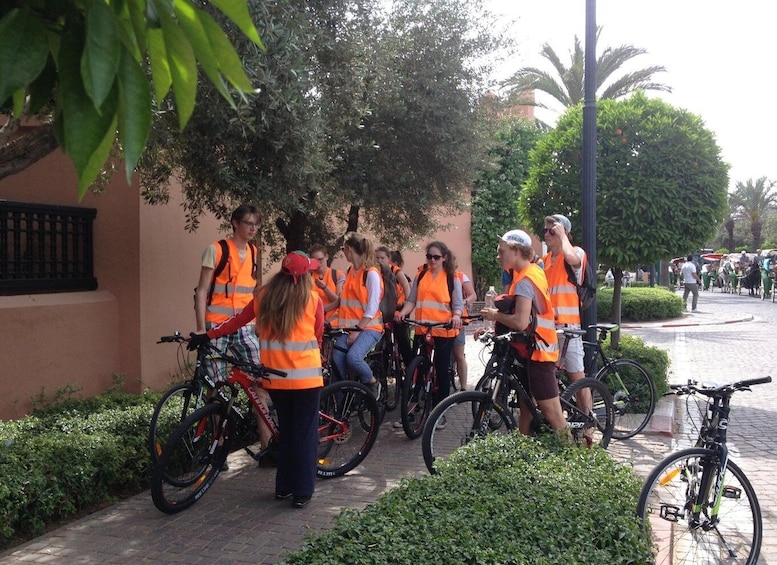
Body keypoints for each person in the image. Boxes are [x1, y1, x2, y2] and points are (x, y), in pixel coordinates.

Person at [190, 251, 324, 509]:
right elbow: (318, 336)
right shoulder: (313, 299)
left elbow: (237, 322)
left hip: (276, 380)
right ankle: (303, 492)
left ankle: (283, 488)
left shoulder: (264, 297)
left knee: (285, 431)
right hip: (306, 379)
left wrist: (207, 335)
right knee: (305, 435)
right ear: (304, 275)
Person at [192, 204, 270, 466]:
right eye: (248, 223)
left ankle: (267, 446)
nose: (252, 229)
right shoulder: (216, 250)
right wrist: (201, 328)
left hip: (245, 327)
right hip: (217, 327)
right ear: (235, 223)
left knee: (261, 382)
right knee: (215, 388)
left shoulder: (254, 251)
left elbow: (255, 291)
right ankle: (219, 450)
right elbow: (201, 290)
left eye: (256, 225)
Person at [480, 230, 567, 435]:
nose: (498, 256)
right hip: (532, 349)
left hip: (540, 352)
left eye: (502, 251)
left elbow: (519, 322)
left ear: (517, 251)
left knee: (552, 413)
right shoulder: (530, 272)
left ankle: (577, 459)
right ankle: (523, 443)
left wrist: (495, 315)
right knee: (525, 403)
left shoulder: (525, 280)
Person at [395, 241, 463, 409]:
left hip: (443, 330)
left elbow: (458, 305)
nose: (432, 260)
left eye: (436, 257)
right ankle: (413, 405)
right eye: (429, 257)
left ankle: (440, 410)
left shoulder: (451, 278)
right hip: (422, 328)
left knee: (441, 370)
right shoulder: (421, 276)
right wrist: (403, 313)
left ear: (444, 258)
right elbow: (412, 301)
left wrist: (455, 316)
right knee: (419, 368)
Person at [542, 214, 590, 421]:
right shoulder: (543, 261)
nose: (547, 234)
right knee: (549, 375)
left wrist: (563, 236)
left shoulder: (575, 251)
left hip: (569, 327)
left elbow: (573, 260)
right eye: (545, 230)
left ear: (564, 232)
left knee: (576, 375)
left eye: (552, 230)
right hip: (548, 328)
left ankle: (588, 421)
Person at [333, 233, 384, 397]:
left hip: (369, 327)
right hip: (348, 327)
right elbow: (344, 302)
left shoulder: (371, 274)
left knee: (353, 358)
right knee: (336, 361)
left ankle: (371, 382)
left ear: (349, 249)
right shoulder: (351, 271)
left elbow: (372, 307)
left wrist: (357, 330)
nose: (343, 253)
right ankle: (339, 406)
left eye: (343, 249)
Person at [376, 247, 413, 365]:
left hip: (399, 308)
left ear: (388, 259)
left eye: (382, 258)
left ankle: (409, 369)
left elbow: (406, 285)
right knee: (380, 342)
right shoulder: (374, 271)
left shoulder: (395, 271)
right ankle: (381, 369)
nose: (379, 260)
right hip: (382, 311)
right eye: (377, 258)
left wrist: (407, 302)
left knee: (403, 339)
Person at [451, 262, 476, 391]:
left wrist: (463, 302)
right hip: (441, 320)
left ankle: (464, 387)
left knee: (459, 354)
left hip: (459, 320)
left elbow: (473, 295)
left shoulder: (461, 276)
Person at [308, 243, 344, 326]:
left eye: (320, 259)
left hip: (333, 321)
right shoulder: (308, 276)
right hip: (314, 320)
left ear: (327, 257)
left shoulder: (337, 274)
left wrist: (325, 288)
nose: (318, 263)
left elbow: (339, 301)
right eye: (315, 261)